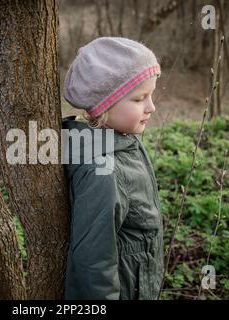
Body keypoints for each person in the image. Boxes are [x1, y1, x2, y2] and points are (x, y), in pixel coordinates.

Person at [62, 37, 164, 300]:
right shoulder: (103, 170)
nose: (151, 107)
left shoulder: (119, 142)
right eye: (140, 98)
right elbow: (93, 264)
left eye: (151, 95)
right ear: (105, 105)